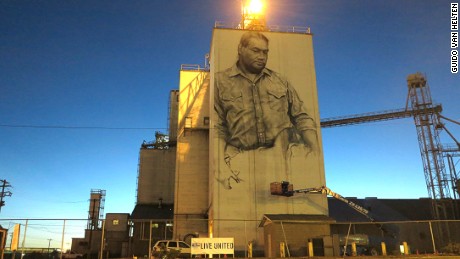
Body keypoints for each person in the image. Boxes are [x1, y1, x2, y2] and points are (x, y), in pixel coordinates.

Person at [214, 31, 319, 159]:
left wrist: (316, 152)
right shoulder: (220, 81)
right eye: (256, 51)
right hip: (240, 161)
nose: (262, 56)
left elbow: (302, 118)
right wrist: (220, 164)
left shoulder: (280, 80)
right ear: (241, 49)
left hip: (284, 159)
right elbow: (217, 128)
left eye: (265, 52)